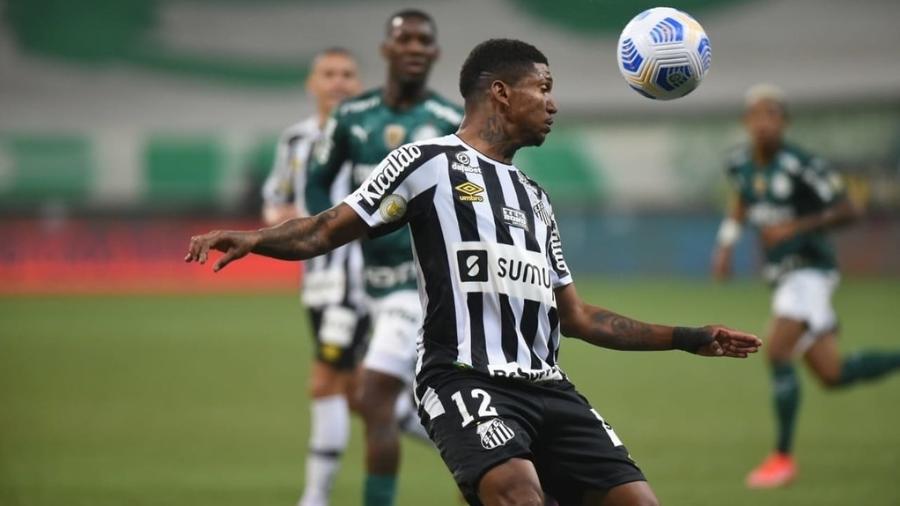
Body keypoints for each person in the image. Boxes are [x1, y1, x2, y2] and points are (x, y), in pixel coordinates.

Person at [186, 38, 761, 506]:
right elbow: (328, 227)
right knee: (517, 493)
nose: (553, 104)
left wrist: (690, 338)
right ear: (502, 93)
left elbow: (579, 318)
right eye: (544, 89)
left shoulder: (535, 198)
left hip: (549, 388)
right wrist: (255, 239)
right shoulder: (425, 163)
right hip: (465, 379)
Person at [305, 9, 462, 506]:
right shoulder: (352, 118)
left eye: (423, 41)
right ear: (386, 51)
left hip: (424, 285)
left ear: (434, 54)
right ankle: (510, 476)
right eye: (405, 39)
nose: (414, 47)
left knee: (373, 397)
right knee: (449, 411)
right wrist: (333, 230)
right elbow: (315, 182)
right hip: (374, 285)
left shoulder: (448, 123)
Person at [712, 84, 900, 489]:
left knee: (776, 351)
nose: (764, 123)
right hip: (783, 278)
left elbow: (851, 207)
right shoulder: (740, 164)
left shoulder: (802, 165)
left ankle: (781, 459)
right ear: (747, 123)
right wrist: (727, 243)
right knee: (832, 373)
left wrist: (796, 227)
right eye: (757, 115)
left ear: (785, 122)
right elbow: (741, 200)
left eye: (772, 115)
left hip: (810, 271)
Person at [260, 47, 366, 506]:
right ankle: (495, 460)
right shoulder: (294, 142)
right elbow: (276, 198)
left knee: (327, 381)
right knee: (369, 396)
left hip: (359, 279)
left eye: (346, 74)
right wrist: (278, 214)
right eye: (329, 74)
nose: (338, 82)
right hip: (317, 280)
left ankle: (314, 498)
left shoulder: (372, 136)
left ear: (358, 85)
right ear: (312, 83)